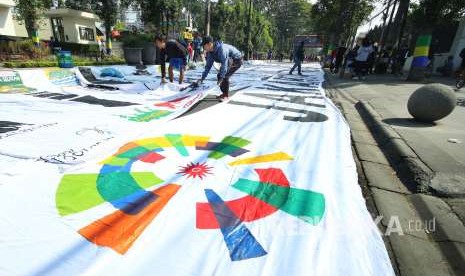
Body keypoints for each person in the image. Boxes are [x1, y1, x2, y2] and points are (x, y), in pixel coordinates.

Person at [197, 36, 243, 101]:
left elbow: (224, 64)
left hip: (237, 59)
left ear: (209, 44)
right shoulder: (210, 53)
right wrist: (202, 78)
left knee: (225, 76)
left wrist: (222, 78)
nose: (203, 48)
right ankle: (224, 93)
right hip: (229, 60)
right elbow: (208, 67)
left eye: (204, 46)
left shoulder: (222, 49)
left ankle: (226, 96)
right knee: (220, 76)